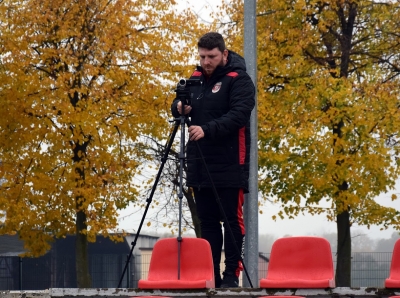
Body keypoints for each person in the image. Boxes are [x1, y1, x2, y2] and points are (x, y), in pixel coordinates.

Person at [171, 32, 255, 288]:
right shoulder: (195, 79)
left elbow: (239, 114)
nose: (206, 61)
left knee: (231, 221)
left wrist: (207, 129)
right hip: (200, 163)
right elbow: (178, 100)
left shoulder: (238, 79)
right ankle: (212, 275)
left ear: (224, 54)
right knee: (207, 222)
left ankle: (231, 275)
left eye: (211, 56)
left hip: (231, 163)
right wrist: (178, 107)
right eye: (202, 56)